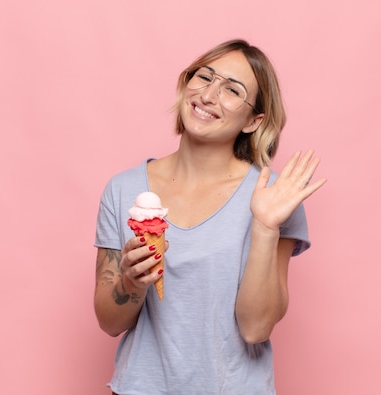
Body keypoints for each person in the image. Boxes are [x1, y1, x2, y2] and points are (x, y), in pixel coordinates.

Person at [94, 38, 327, 395]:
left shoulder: (273, 197)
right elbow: (109, 323)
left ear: (254, 121)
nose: (208, 95)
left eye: (232, 90)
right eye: (204, 77)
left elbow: (255, 328)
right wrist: (130, 282)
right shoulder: (123, 188)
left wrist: (266, 227)